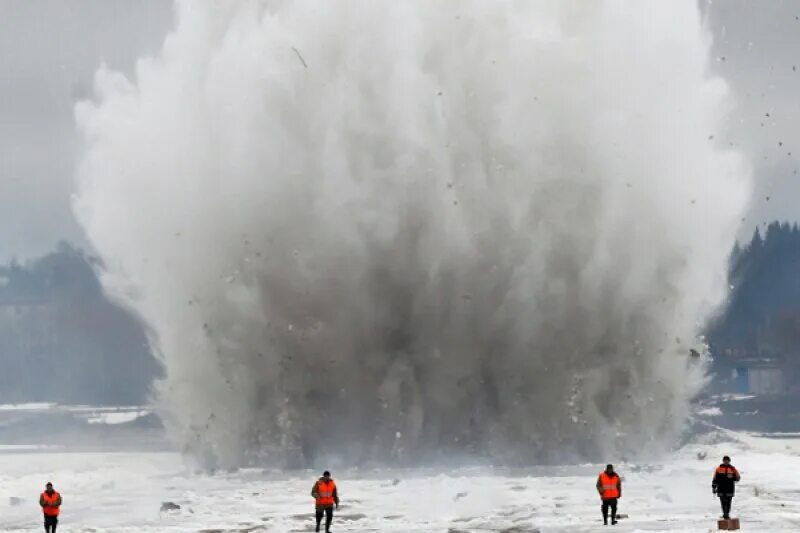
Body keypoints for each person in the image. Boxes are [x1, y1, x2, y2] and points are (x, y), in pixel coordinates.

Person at [712, 455, 741, 520]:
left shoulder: (733, 469)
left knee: (728, 502)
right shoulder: (718, 469)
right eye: (725, 460)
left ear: (729, 461)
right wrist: (714, 488)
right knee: (723, 502)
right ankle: (725, 514)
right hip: (721, 489)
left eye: (727, 460)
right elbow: (714, 479)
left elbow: (738, 478)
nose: (726, 462)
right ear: (723, 461)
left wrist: (732, 477)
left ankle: (726, 513)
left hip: (729, 489)